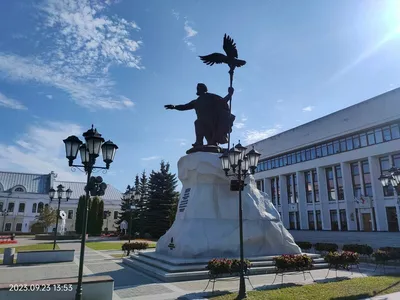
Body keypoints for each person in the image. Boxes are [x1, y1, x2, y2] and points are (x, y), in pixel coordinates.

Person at [165, 84, 235, 148]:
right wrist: (174, 107)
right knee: (198, 123)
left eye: (199, 88)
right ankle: (199, 142)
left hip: (213, 122)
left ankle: (211, 142)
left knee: (211, 142)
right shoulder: (196, 102)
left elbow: (222, 101)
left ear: (203, 89)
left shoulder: (211, 97)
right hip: (203, 122)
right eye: (198, 89)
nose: (198, 90)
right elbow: (184, 107)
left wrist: (229, 94)